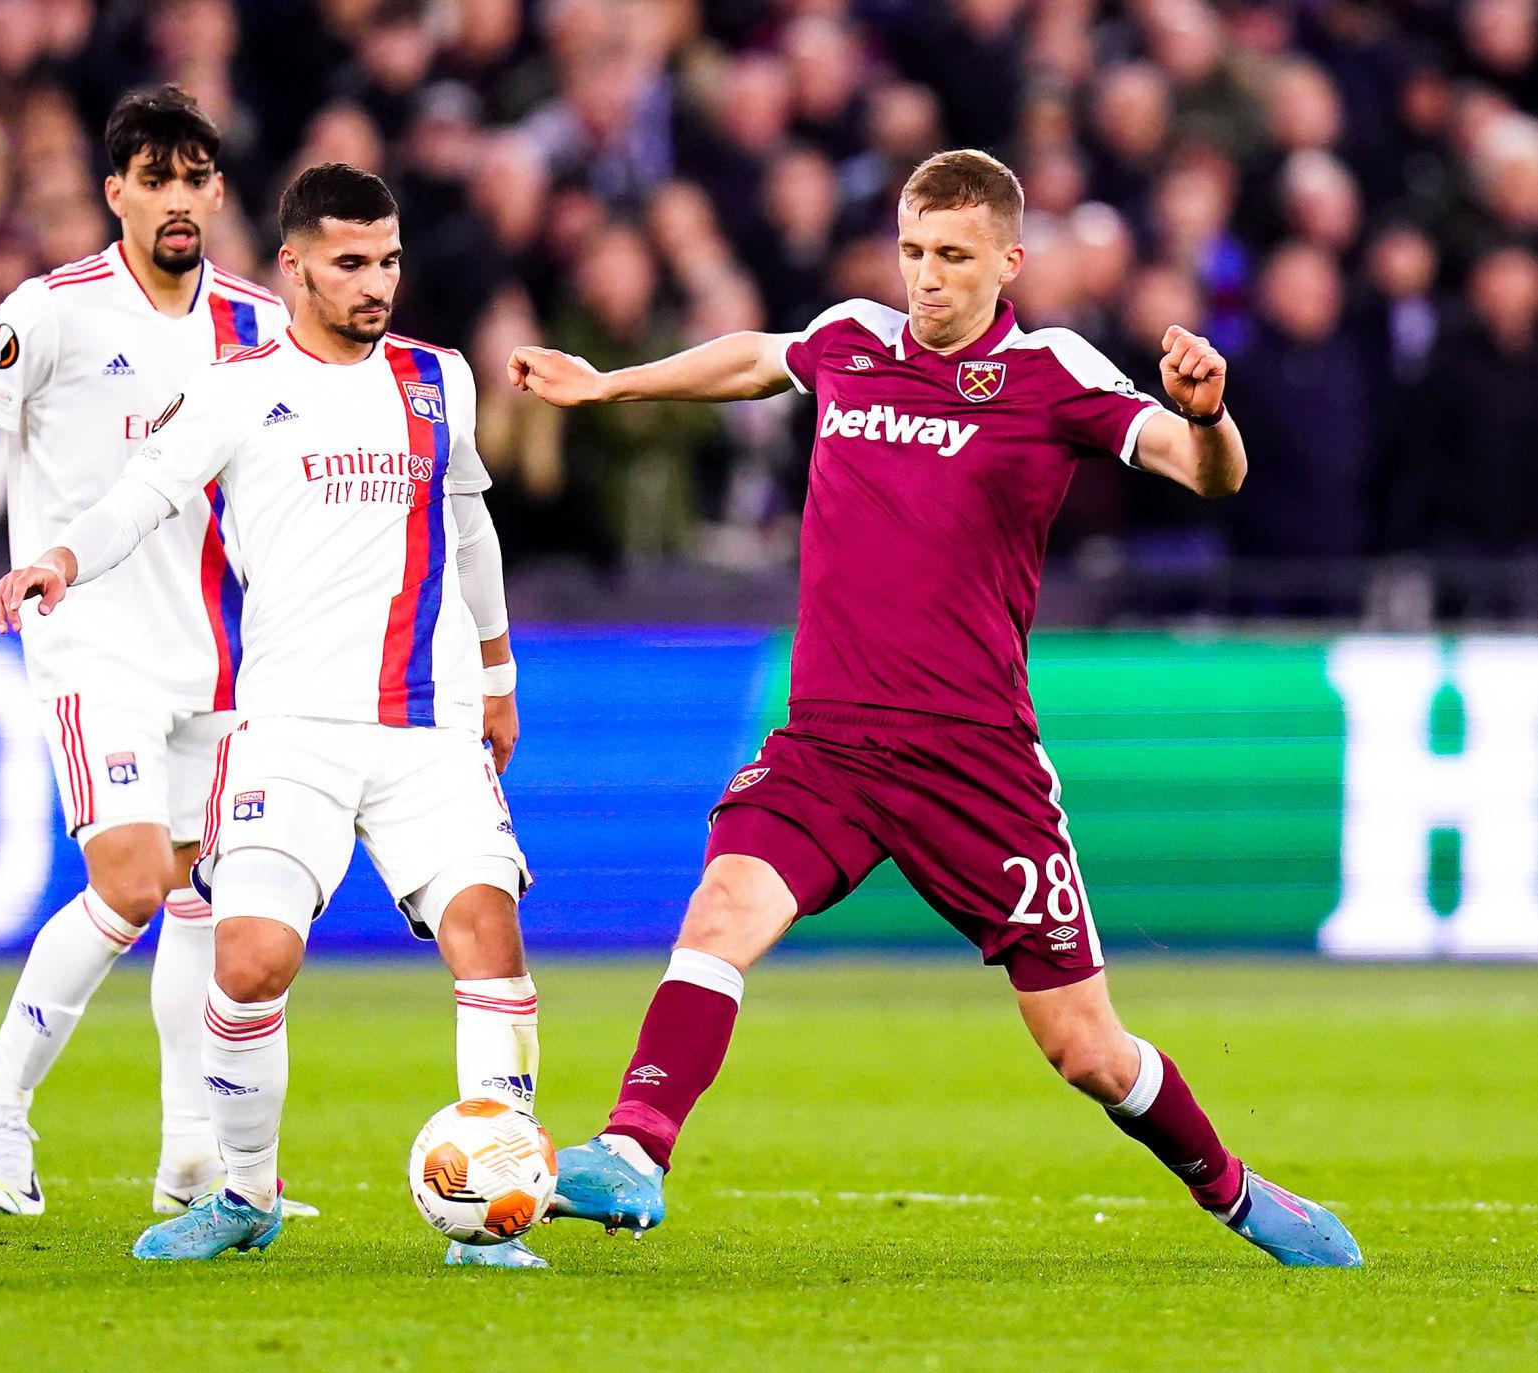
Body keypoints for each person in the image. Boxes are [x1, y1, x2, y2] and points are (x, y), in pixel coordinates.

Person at [508, 149, 1362, 1269]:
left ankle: (1238, 1190)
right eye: (913, 251)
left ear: (1009, 261)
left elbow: (1207, 476)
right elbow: (759, 360)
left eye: (953, 257)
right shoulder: (855, 343)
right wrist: (613, 383)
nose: (926, 278)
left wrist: (1206, 420)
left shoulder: (1052, 370)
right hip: (829, 745)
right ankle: (635, 1147)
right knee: (719, 909)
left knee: (1086, 1049)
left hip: (977, 766)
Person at [0, 163, 540, 1269]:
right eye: (350, 263)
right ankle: (242, 1194)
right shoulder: (240, 387)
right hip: (287, 727)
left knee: (488, 936)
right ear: (293, 267)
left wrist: (500, 666)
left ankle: (496, 1210)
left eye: (387, 259)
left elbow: (469, 527)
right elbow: (141, 497)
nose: (376, 282)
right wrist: (59, 555)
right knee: (246, 961)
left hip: (427, 723)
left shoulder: (440, 379)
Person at [0, 85, 315, 1224]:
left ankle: (190, 1162)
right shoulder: (53, 310)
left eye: (196, 178)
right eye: (154, 178)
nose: (179, 200)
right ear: (113, 191)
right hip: (91, 641)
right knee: (130, 882)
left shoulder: (260, 325)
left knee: (202, 899)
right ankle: (0, 1102)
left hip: (220, 651)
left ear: (219, 192)